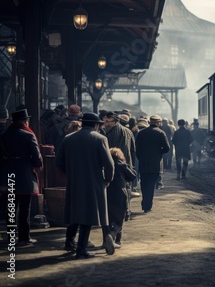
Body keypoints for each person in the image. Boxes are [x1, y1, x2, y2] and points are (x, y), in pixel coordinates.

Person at [56, 112, 115, 259]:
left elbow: (59, 162)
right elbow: (109, 164)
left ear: (82, 123)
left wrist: (70, 174)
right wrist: (107, 179)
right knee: (88, 214)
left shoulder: (68, 139)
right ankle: (81, 249)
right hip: (94, 181)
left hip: (74, 182)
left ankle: (69, 242)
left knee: (75, 212)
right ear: (95, 125)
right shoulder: (100, 139)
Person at [0, 108, 43, 246]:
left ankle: (11, 237)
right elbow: (37, 157)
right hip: (24, 174)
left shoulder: (4, 135)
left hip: (9, 173)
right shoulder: (28, 135)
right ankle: (24, 237)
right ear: (25, 121)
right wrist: (37, 164)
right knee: (25, 208)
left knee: (11, 207)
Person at [135, 115, 169, 213]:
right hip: (155, 164)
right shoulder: (161, 133)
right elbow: (167, 148)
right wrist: (159, 153)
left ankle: (145, 202)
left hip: (143, 163)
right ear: (158, 123)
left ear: (150, 122)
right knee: (151, 185)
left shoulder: (141, 133)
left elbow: (137, 148)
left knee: (144, 183)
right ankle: (147, 205)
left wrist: (140, 157)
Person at [108, 147, 136, 247]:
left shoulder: (106, 164)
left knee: (109, 217)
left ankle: (109, 239)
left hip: (107, 192)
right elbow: (132, 176)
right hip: (120, 193)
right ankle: (113, 236)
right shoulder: (122, 164)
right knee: (120, 216)